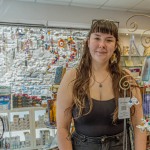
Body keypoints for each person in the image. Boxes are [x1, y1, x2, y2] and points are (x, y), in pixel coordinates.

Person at [56, 19, 147, 150]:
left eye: (109, 40)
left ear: (115, 46)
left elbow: (139, 125)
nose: (102, 45)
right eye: (97, 38)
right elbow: (62, 129)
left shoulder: (126, 79)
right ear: (88, 42)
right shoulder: (72, 78)